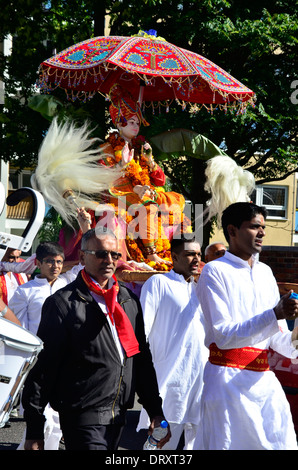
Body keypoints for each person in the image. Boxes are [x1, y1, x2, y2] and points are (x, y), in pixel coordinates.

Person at [21, 226, 170, 450]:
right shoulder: (63, 302)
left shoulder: (127, 300)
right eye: (101, 254)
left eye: (115, 254)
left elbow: (140, 360)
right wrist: (34, 428)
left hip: (118, 415)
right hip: (82, 415)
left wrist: (156, 412)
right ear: (82, 257)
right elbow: (44, 368)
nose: (109, 260)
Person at [194, 202, 298, 450]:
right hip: (226, 381)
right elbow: (224, 336)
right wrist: (275, 313)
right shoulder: (214, 271)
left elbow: (279, 340)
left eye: (263, 227)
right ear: (232, 230)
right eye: (254, 227)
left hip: (265, 384)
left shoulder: (265, 273)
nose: (262, 232)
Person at [97, 83, 190, 267]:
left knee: (177, 199)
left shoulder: (141, 149)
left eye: (138, 122)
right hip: (119, 194)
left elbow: (160, 180)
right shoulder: (106, 149)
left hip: (145, 192)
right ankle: (151, 254)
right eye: (131, 122)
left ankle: (180, 251)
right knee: (149, 205)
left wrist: (150, 161)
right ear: (118, 122)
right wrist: (122, 165)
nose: (136, 126)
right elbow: (104, 180)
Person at [137, 234, 208, 449]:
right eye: (189, 254)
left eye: (198, 254)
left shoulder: (201, 290)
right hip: (169, 387)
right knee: (159, 447)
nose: (196, 259)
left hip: (201, 386)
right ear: (174, 257)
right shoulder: (159, 282)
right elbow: (142, 333)